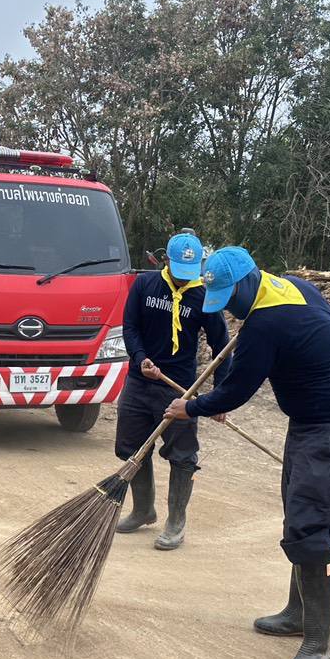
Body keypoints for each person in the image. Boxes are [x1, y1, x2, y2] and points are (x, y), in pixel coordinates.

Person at [163, 246, 330, 659]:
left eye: (231, 299)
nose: (230, 310)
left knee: (312, 531)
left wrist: (193, 407)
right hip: (311, 424)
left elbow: (238, 390)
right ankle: (297, 614)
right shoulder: (294, 288)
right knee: (298, 520)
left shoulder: (266, 322)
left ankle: (318, 644)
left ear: (248, 280)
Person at [114, 231, 229, 550]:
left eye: (189, 273)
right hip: (139, 381)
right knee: (130, 447)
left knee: (182, 456)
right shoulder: (145, 285)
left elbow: (222, 348)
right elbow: (130, 327)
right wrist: (140, 358)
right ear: (166, 260)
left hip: (180, 390)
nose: (183, 279)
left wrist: (221, 397)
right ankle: (142, 510)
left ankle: (176, 522)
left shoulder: (204, 297)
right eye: (179, 272)